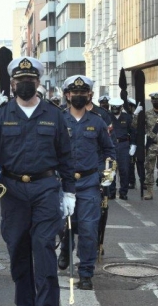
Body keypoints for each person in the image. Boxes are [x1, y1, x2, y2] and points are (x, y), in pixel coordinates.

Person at [0, 56, 75, 306]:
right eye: (20, 80)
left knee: (43, 247)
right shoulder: (0, 115)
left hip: (45, 189)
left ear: (38, 82)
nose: (25, 84)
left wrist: (69, 192)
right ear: (12, 84)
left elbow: (65, 155)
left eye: (30, 80)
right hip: (13, 191)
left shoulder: (54, 114)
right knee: (18, 250)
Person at [57, 75, 115, 290]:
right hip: (64, 183)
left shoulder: (97, 122)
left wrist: (106, 172)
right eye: (75, 93)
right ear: (67, 95)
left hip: (90, 183)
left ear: (89, 95)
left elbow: (108, 150)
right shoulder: (58, 120)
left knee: (89, 229)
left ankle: (86, 272)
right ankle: (65, 248)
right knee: (65, 226)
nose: (79, 96)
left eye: (83, 93)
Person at [108, 97, 135, 200]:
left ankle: (123, 192)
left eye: (117, 107)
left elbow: (133, 132)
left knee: (124, 170)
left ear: (121, 107)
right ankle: (111, 191)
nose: (114, 109)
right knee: (111, 170)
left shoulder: (127, 117)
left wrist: (133, 145)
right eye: (113, 107)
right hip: (111, 145)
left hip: (124, 145)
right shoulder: (107, 117)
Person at [125, 97, 140, 190]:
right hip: (129, 142)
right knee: (130, 163)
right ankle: (131, 181)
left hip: (138, 142)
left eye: (130, 106)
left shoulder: (137, 116)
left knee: (140, 163)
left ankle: (143, 181)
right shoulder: (127, 116)